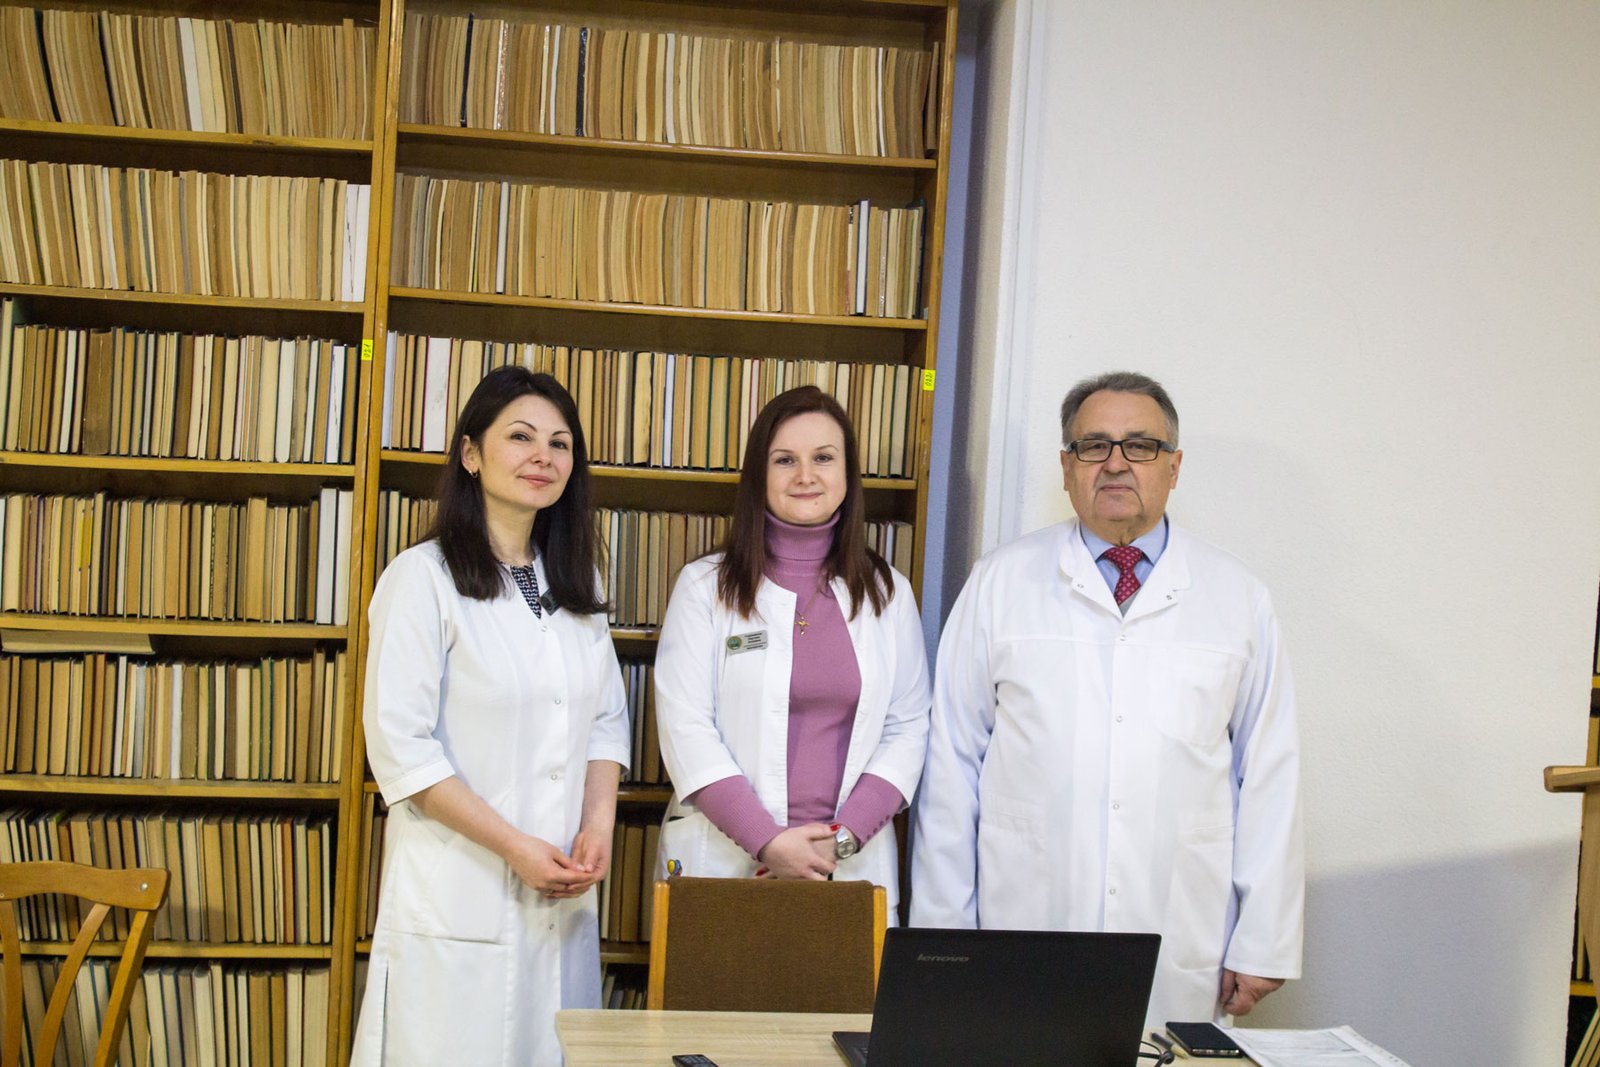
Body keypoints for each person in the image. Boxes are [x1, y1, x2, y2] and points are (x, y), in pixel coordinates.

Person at [911, 371, 1303, 1026]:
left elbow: (1269, 775)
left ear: (1174, 466)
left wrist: (1263, 939)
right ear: (1067, 467)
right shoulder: (999, 583)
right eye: (1093, 445)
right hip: (1024, 922)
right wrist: (945, 941)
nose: (1116, 463)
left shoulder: (1237, 597)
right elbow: (951, 765)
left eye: (1140, 445)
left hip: (1182, 925)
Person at [351, 367, 629, 1067]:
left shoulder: (579, 584)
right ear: (471, 453)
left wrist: (597, 826)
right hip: (460, 897)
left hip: (561, 893)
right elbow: (402, 750)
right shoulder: (422, 578)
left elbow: (605, 720)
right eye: (521, 437)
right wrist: (512, 846)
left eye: (560, 443)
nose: (543, 456)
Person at [653, 386, 930, 909]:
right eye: (785, 460)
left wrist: (840, 840)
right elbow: (686, 728)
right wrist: (767, 841)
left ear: (847, 473)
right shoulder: (703, 587)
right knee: (714, 968)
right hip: (728, 862)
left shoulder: (887, 592)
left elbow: (908, 728)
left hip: (847, 864)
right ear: (759, 475)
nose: (806, 475)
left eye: (823, 458)